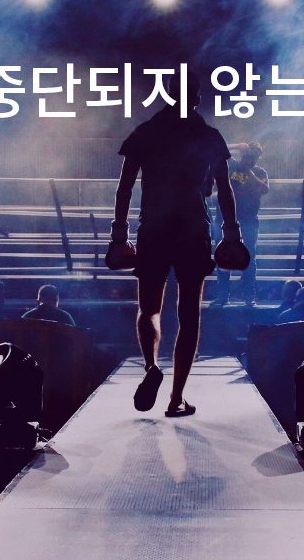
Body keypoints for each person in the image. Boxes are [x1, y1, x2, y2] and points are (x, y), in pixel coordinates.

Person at [110, 71, 243, 418]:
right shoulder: (208, 135)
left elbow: (124, 188)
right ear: (197, 98)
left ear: (169, 95)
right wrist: (232, 233)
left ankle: (152, 366)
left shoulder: (145, 132)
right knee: (189, 315)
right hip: (192, 229)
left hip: (153, 228)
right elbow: (225, 189)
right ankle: (176, 398)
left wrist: (119, 234)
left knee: (149, 309)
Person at [212, 142, 268, 307]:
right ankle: (223, 296)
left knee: (249, 257)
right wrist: (237, 146)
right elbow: (215, 149)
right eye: (248, 154)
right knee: (223, 256)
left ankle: (249, 297)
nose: (249, 158)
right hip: (225, 218)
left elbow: (264, 189)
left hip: (248, 219)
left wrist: (247, 170)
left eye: (253, 156)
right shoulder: (231, 166)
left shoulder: (259, 172)